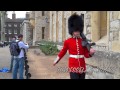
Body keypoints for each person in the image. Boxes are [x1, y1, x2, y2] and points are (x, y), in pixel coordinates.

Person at [53, 14, 95, 79]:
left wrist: (90, 53)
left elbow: (86, 54)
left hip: (82, 66)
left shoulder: (83, 41)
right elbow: (63, 51)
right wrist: (57, 60)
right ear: (72, 31)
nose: (78, 32)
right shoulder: (68, 41)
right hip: (73, 66)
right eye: (76, 31)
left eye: (78, 30)